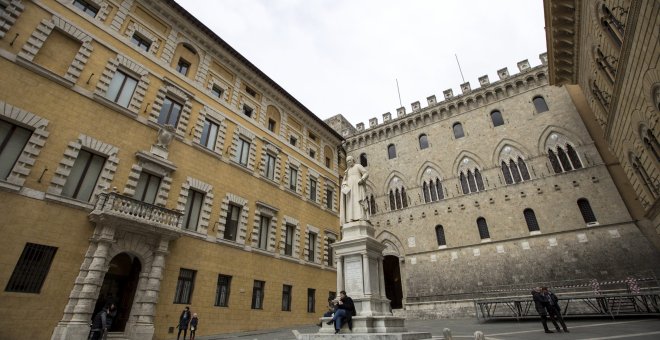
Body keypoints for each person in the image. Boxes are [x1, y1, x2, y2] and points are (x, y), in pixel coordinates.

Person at [340, 155, 369, 225]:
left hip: (358, 187)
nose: (349, 162)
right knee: (350, 203)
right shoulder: (347, 171)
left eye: (350, 160)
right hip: (350, 190)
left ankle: (361, 217)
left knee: (358, 201)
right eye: (347, 161)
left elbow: (366, 173)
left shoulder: (358, 166)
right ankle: (351, 218)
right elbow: (345, 180)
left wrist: (362, 179)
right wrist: (344, 184)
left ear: (353, 160)